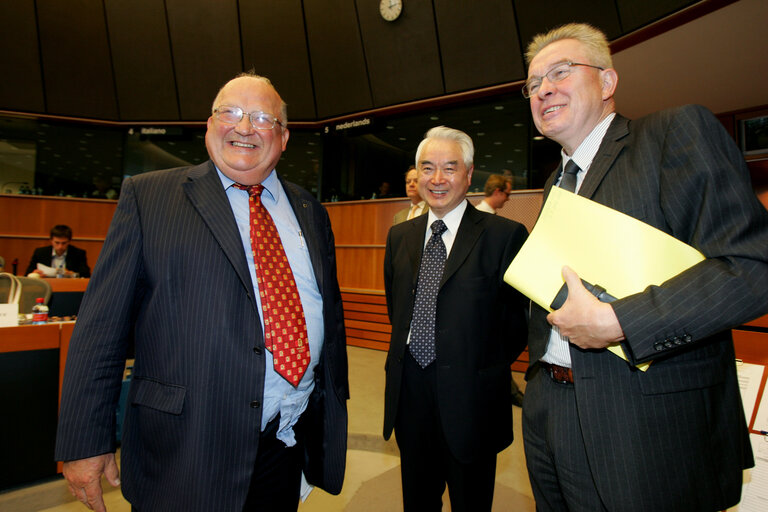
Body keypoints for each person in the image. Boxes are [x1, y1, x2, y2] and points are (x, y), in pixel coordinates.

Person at [55, 73, 349, 512]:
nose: (244, 127)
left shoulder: (309, 210)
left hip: (285, 444)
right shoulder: (149, 197)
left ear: (284, 137)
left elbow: (329, 317)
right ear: (209, 125)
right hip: (186, 452)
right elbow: (101, 330)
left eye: (262, 117)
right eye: (229, 112)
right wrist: (85, 441)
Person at [521, 23, 768, 512]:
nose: (543, 88)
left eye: (561, 72)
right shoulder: (555, 183)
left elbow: (752, 266)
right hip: (550, 411)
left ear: (607, 82)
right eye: (533, 83)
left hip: (647, 423)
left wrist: (619, 323)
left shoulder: (672, 134)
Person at [383, 126, 529, 511]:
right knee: (418, 500)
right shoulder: (400, 236)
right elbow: (397, 310)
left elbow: (516, 325)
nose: (437, 179)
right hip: (411, 395)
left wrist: (477, 366)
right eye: (427, 168)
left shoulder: (504, 236)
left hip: (472, 400)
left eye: (450, 167)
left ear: (469, 173)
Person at [25, 224, 91, 277]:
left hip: (68, 286)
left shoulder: (78, 253)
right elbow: (27, 273)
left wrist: (73, 274)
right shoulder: (40, 252)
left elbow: (86, 274)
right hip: (46, 285)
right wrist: (34, 273)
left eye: (64, 243)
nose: (60, 247)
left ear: (69, 241)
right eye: (57, 243)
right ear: (51, 241)